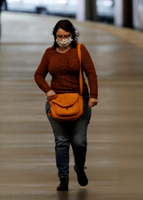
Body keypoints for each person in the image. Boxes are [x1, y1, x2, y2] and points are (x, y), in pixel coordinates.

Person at [34, 20, 98, 191]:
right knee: (61, 142)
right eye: (59, 36)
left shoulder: (80, 50)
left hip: (80, 100)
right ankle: (63, 178)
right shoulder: (49, 53)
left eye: (66, 36)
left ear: (72, 35)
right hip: (56, 102)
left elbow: (91, 73)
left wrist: (93, 96)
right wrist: (47, 90)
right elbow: (39, 75)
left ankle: (79, 166)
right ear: (55, 36)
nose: (63, 39)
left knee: (79, 141)